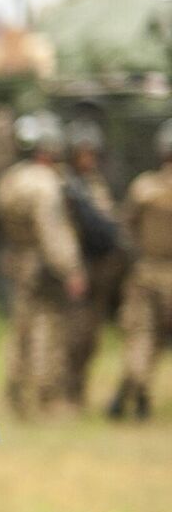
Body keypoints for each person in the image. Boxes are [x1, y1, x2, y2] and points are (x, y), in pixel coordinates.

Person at [0, 110, 86, 418]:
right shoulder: (46, 184)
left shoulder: (10, 179)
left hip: (16, 259)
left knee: (20, 326)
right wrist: (70, 269)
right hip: (43, 264)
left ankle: (16, 391)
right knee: (49, 327)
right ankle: (46, 398)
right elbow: (53, 232)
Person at [109, 119, 172, 419]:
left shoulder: (144, 187)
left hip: (146, 272)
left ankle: (135, 390)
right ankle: (137, 395)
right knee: (153, 337)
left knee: (142, 334)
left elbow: (124, 227)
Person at [61, 118, 125, 406]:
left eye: (92, 153)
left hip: (100, 268)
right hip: (77, 268)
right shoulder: (64, 185)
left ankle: (78, 392)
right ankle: (65, 393)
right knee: (72, 337)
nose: (88, 159)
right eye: (82, 153)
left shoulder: (95, 184)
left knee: (89, 338)